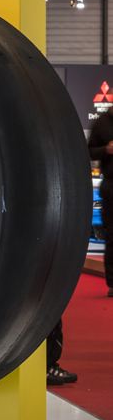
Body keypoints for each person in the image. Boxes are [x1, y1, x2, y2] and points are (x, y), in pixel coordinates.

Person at [88, 106, 113, 295]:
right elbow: (90, 151)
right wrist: (106, 149)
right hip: (111, 185)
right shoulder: (102, 122)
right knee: (112, 236)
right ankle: (112, 283)